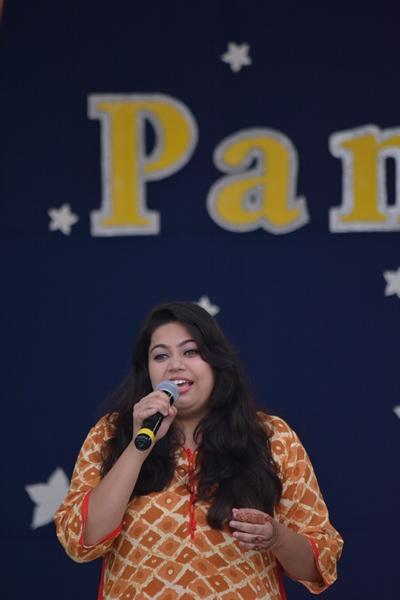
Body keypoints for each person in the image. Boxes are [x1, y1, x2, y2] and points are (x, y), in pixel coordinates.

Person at [54, 301, 343, 599]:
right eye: (160, 355)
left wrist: (276, 537)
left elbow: (321, 563)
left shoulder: (271, 437)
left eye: (190, 352)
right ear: (147, 370)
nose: (175, 365)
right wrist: (139, 447)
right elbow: (80, 542)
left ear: (216, 361)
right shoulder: (111, 434)